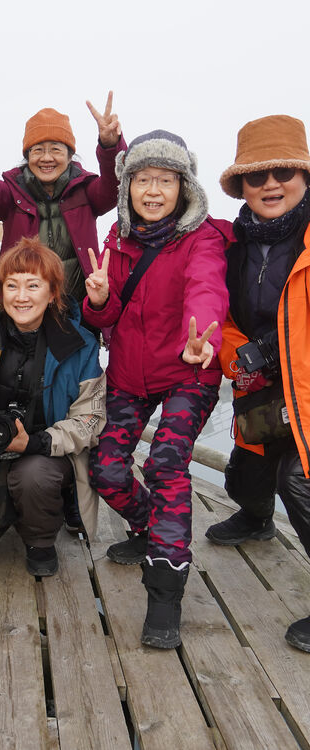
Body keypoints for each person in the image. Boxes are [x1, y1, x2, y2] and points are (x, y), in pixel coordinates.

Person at [83, 130, 230, 649]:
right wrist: (98, 300)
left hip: (190, 367)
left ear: (183, 186)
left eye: (165, 180)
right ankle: (149, 526)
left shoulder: (204, 237)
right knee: (105, 468)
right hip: (129, 372)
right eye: (143, 179)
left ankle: (165, 586)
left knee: (167, 462)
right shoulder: (116, 239)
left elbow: (206, 286)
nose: (152, 190)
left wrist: (203, 335)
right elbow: (108, 315)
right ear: (127, 187)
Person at [0, 237, 106, 575]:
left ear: (53, 292)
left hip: (44, 453)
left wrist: (36, 443)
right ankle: (4, 508)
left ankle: (40, 541)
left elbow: (91, 419)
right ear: (0, 290)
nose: (21, 296)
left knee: (33, 476)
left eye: (33, 285)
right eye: (11, 285)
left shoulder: (79, 344)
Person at [205, 115, 310, 653]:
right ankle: (254, 518)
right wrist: (235, 355)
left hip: (308, 386)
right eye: (256, 175)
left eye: (284, 171)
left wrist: (275, 348)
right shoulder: (233, 244)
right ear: (241, 187)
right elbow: (221, 312)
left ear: (304, 176)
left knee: (299, 477)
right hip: (257, 381)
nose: (271, 184)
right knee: (249, 464)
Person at [0, 92, 125, 308]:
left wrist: (110, 145)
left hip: (76, 311)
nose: (46, 158)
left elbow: (115, 186)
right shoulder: (12, 194)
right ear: (28, 156)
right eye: (38, 150)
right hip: (20, 310)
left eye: (56, 150)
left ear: (70, 156)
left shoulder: (86, 191)